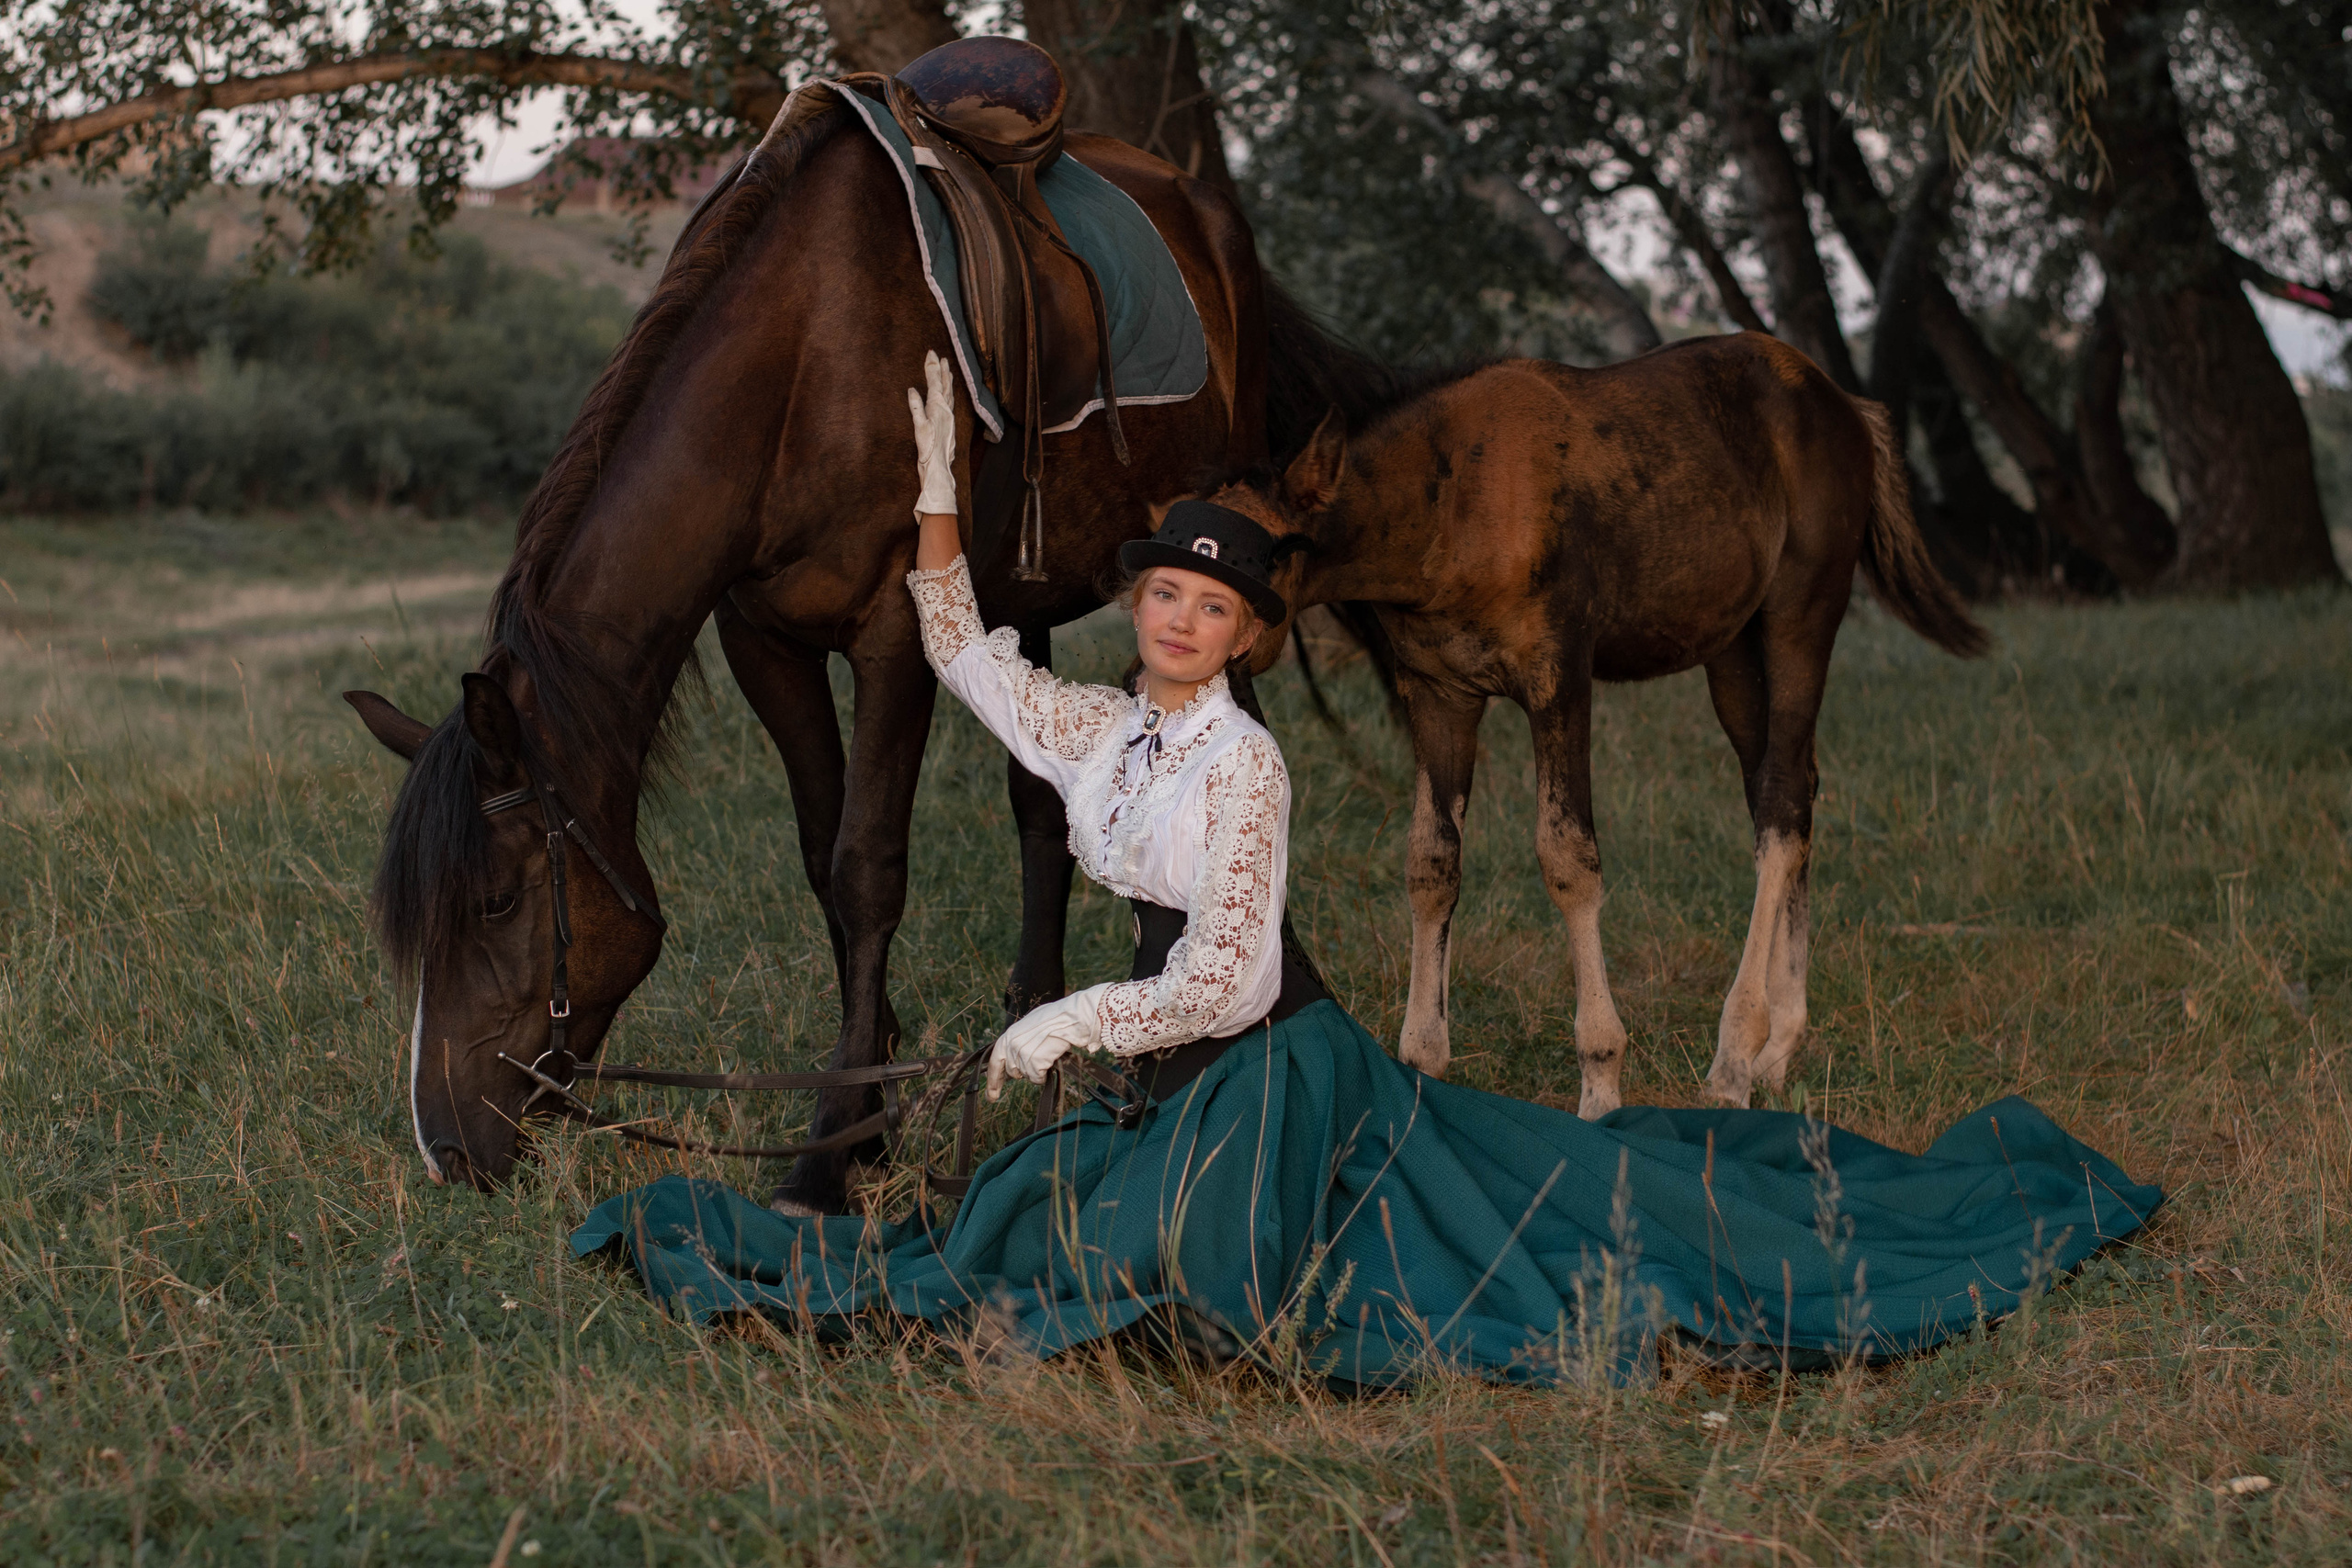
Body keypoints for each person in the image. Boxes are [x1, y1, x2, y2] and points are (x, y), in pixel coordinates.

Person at [572, 355, 2159, 1387]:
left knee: (1212, 1287)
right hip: (1164, 1081)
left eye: (1214, 606)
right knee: (1000, 1237)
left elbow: (1226, 978)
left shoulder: (1240, 765)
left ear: (1257, 634)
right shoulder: (1095, 730)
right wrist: (931, 500)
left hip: (1271, 1067)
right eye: (1166, 595)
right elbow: (957, 648)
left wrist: (1066, 1025)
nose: (1182, 617)